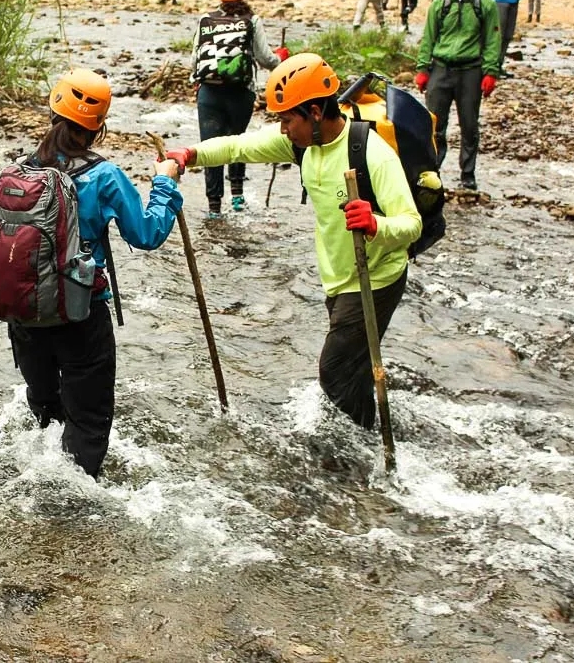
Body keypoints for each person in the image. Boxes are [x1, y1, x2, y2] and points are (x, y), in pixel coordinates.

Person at [164, 54, 421, 430]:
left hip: (375, 279)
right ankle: (369, 440)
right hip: (339, 276)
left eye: (287, 120)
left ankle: (349, 461)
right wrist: (191, 155)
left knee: (333, 374)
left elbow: (410, 224)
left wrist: (375, 224)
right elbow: (240, 147)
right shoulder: (302, 144)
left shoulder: (371, 153)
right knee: (352, 373)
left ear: (315, 112)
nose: (283, 129)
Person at [4, 69, 183, 477]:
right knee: (89, 423)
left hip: (25, 314)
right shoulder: (105, 176)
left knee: (47, 412)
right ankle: (71, 516)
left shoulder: (16, 173)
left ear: (52, 110)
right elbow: (147, 233)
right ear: (98, 125)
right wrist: (164, 185)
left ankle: (41, 499)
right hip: (81, 315)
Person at [190, 0, 288, 218]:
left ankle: (213, 209)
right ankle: (237, 197)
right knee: (237, 143)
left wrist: (197, 84)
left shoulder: (205, 20)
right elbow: (265, 59)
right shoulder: (252, 21)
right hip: (240, 94)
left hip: (209, 94)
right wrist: (282, 57)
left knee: (210, 148)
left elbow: (194, 60)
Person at [414, 0, 502, 192]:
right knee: (434, 126)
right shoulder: (440, 4)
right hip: (441, 70)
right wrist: (422, 69)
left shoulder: (485, 4)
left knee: (470, 126)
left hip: (470, 72)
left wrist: (491, 72)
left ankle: (467, 174)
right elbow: (428, 38)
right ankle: (432, 172)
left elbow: (493, 40)